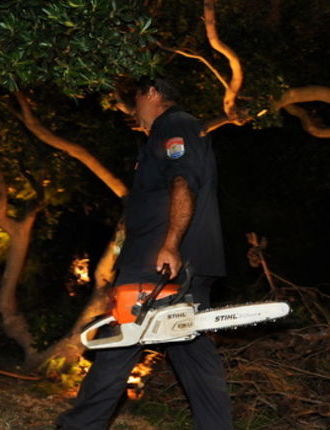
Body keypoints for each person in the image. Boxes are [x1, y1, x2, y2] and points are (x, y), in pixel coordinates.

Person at [57, 77, 232, 430]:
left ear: (151, 93)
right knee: (191, 351)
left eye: (134, 99)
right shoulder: (165, 134)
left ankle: (79, 426)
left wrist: (170, 245)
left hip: (159, 263)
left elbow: (183, 182)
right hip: (179, 263)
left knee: (118, 344)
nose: (132, 109)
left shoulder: (175, 124)